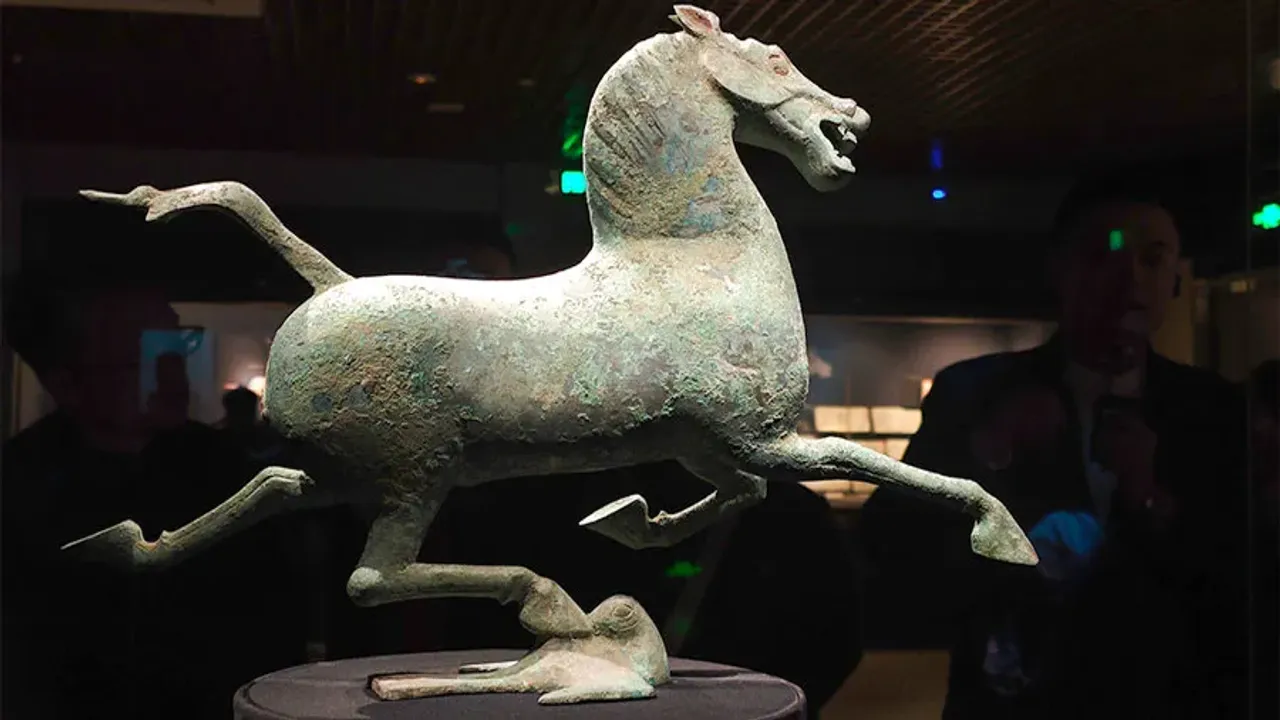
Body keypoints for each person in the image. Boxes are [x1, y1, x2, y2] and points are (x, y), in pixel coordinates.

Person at [858, 171, 1249, 718]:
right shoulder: (973, 394)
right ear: (1058, 270)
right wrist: (989, 454)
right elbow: (890, 547)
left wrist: (1152, 498)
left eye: (1153, 258)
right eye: (1101, 255)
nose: (1129, 278)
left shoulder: (1214, 409)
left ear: (1177, 281)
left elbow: (1240, 578)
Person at [1, 278, 308, 719]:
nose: (171, 373)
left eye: (175, 349)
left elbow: (274, 618)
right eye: (142, 358)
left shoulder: (226, 471)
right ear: (66, 384)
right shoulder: (22, 485)